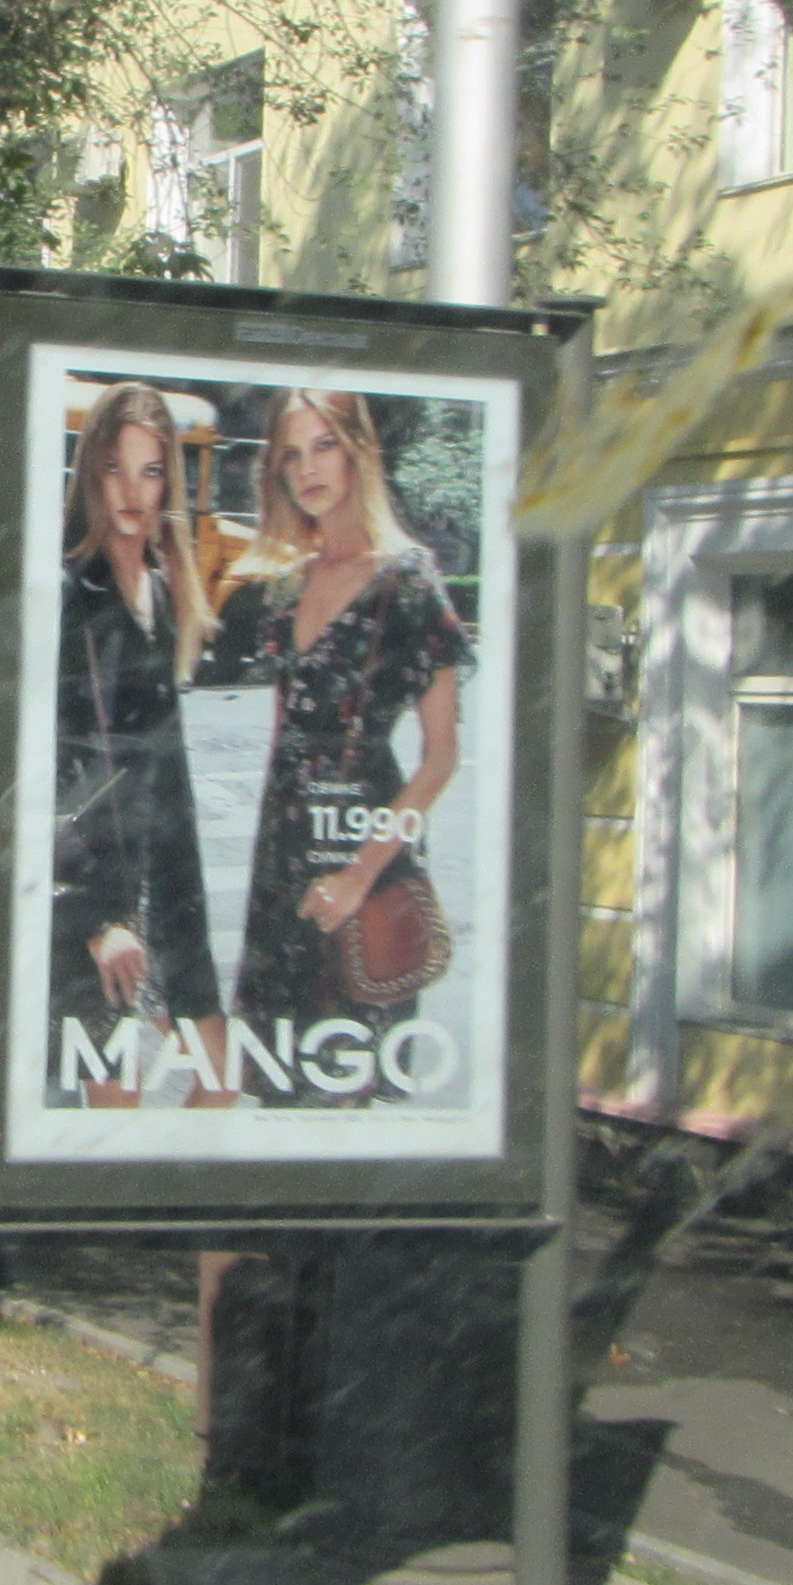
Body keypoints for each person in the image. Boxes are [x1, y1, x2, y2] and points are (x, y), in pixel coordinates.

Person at [221, 387, 470, 1094]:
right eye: (291, 455)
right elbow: (284, 741)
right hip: (283, 865)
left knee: (348, 1084)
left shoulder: (410, 583)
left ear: (359, 450)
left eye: (324, 445)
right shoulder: (284, 591)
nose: (308, 469)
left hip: (364, 855)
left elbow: (441, 757)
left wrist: (360, 875)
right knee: (276, 1081)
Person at [47, 380, 224, 1105]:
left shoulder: (165, 588)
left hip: (171, 890)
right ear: (91, 473)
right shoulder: (69, 593)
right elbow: (47, 767)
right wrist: (95, 922)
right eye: (115, 468)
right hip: (99, 897)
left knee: (220, 1085)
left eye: (150, 471)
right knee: (113, 1124)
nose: (132, 490)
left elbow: (167, 767)